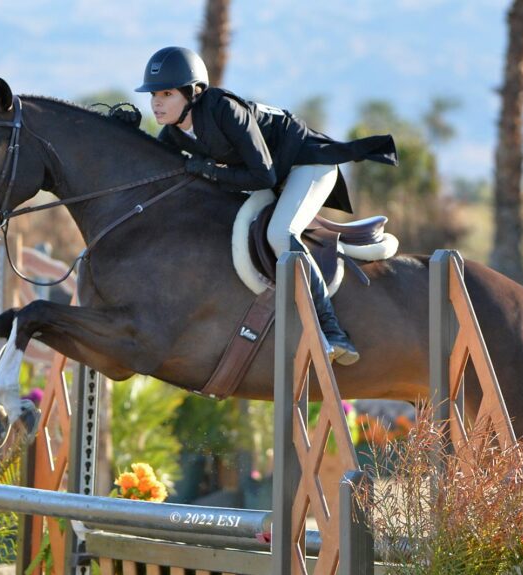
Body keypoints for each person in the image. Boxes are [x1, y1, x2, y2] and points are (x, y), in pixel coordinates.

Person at [136, 46, 398, 366]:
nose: (156, 103)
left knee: (279, 232)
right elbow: (155, 171)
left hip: (306, 164)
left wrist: (208, 170)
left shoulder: (223, 110)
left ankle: (332, 329)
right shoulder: (175, 134)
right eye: (153, 95)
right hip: (275, 177)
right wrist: (122, 131)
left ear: (193, 93)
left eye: (166, 93)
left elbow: (263, 175)